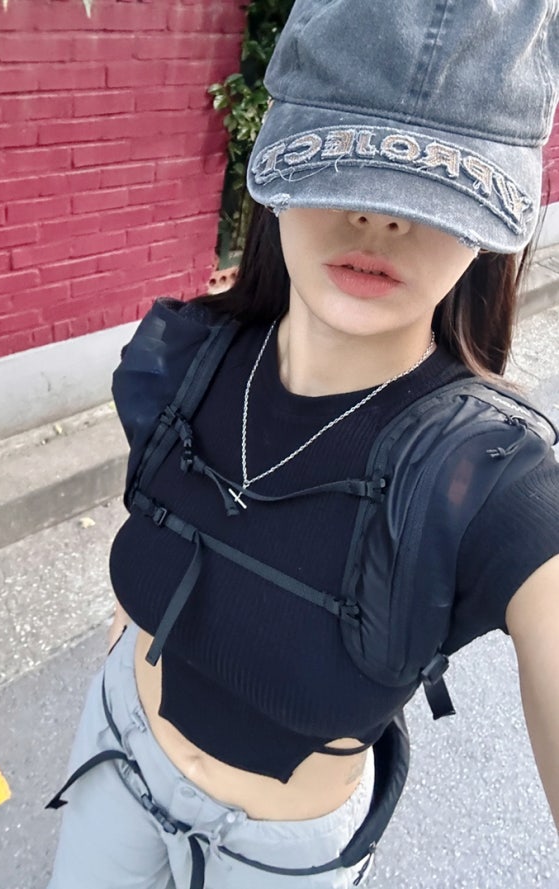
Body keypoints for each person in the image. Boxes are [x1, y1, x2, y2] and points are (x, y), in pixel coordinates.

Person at [46, 1, 559, 886]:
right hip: (117, 754)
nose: (379, 220)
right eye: (345, 164)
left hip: (276, 858)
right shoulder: (181, 361)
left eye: (433, 190)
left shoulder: (493, 483)